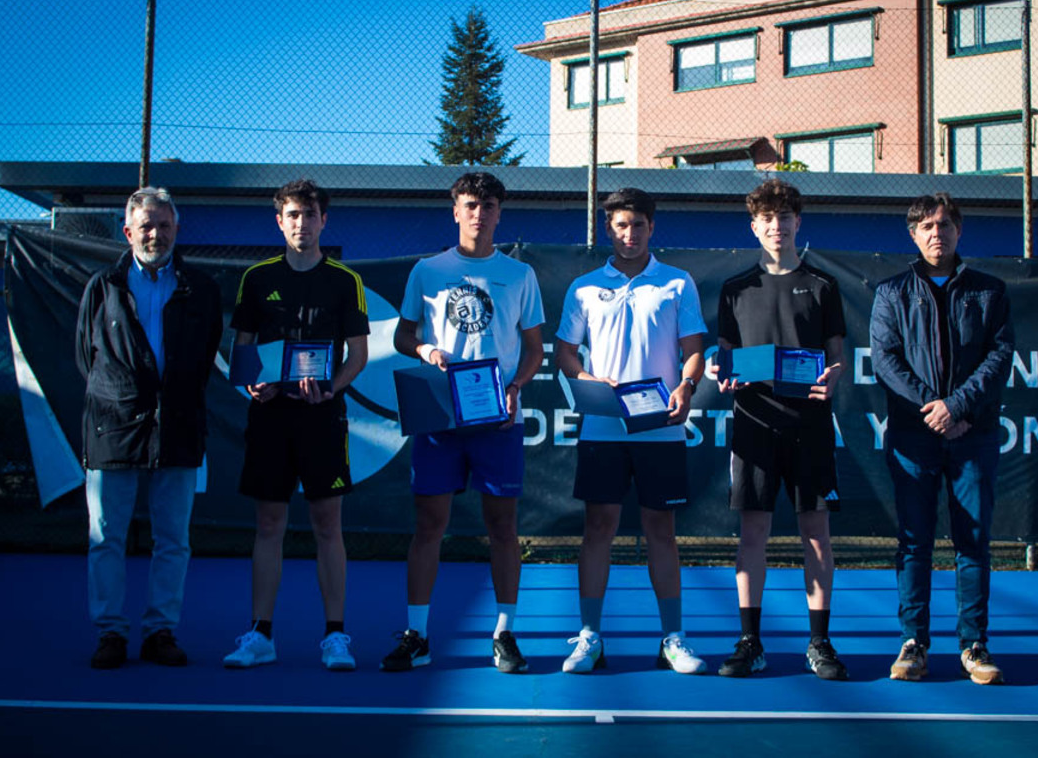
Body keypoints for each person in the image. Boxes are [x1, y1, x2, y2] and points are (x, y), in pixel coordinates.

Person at [383, 172, 545, 674]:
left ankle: (504, 632)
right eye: (470, 204)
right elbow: (403, 336)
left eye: (488, 205)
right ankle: (418, 633)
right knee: (429, 524)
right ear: (455, 210)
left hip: (498, 419)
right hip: (439, 416)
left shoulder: (520, 275)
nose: (479, 213)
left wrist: (515, 389)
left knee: (502, 525)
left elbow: (535, 349)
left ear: (500, 213)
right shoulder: (427, 270)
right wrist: (426, 348)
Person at [555, 188, 708, 674]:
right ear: (609, 229)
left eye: (638, 225)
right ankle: (589, 636)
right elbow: (564, 354)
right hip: (603, 428)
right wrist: (584, 379)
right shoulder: (583, 287)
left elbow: (694, 351)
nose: (629, 234)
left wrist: (687, 386)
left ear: (651, 227)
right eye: (621, 225)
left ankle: (672, 638)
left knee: (661, 532)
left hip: (660, 430)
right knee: (597, 529)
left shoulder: (678, 284)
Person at [222, 179, 370, 671]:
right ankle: (261, 634)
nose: (301, 223)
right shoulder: (256, 279)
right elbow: (242, 351)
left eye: (309, 214)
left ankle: (335, 637)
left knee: (329, 525)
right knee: (269, 524)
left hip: (323, 418)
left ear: (323, 220)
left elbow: (358, 355)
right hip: (270, 419)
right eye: (292, 215)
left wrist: (331, 388)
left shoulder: (344, 281)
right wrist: (250, 385)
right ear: (279, 221)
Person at [870, 192, 1014, 685]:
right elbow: (886, 361)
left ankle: (974, 645)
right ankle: (914, 644)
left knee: (972, 542)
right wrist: (933, 408)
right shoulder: (891, 293)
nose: (937, 233)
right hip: (914, 439)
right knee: (915, 543)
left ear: (959, 231)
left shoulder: (989, 291)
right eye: (927, 226)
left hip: (973, 435)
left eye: (945, 225)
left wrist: (958, 407)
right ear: (913, 235)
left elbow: (998, 357)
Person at [76, 187, 223, 669]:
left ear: (176, 229)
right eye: (146, 226)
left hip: (178, 427)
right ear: (128, 232)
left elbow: (204, 357)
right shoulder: (103, 286)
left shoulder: (200, 289)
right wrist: (124, 398)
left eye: (163, 225)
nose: (155, 233)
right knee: (106, 537)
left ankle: (161, 631)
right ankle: (110, 633)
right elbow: (87, 357)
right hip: (112, 429)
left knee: (173, 539)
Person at [713, 179, 849, 681]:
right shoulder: (735, 289)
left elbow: (837, 360)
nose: (776, 226)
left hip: (810, 427)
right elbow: (722, 357)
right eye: (767, 219)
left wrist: (835, 377)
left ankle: (820, 643)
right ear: (754, 226)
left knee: (816, 536)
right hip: (753, 428)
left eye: (784, 217)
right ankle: (751, 641)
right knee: (753, 533)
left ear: (798, 222)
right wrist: (716, 371)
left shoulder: (823, 286)